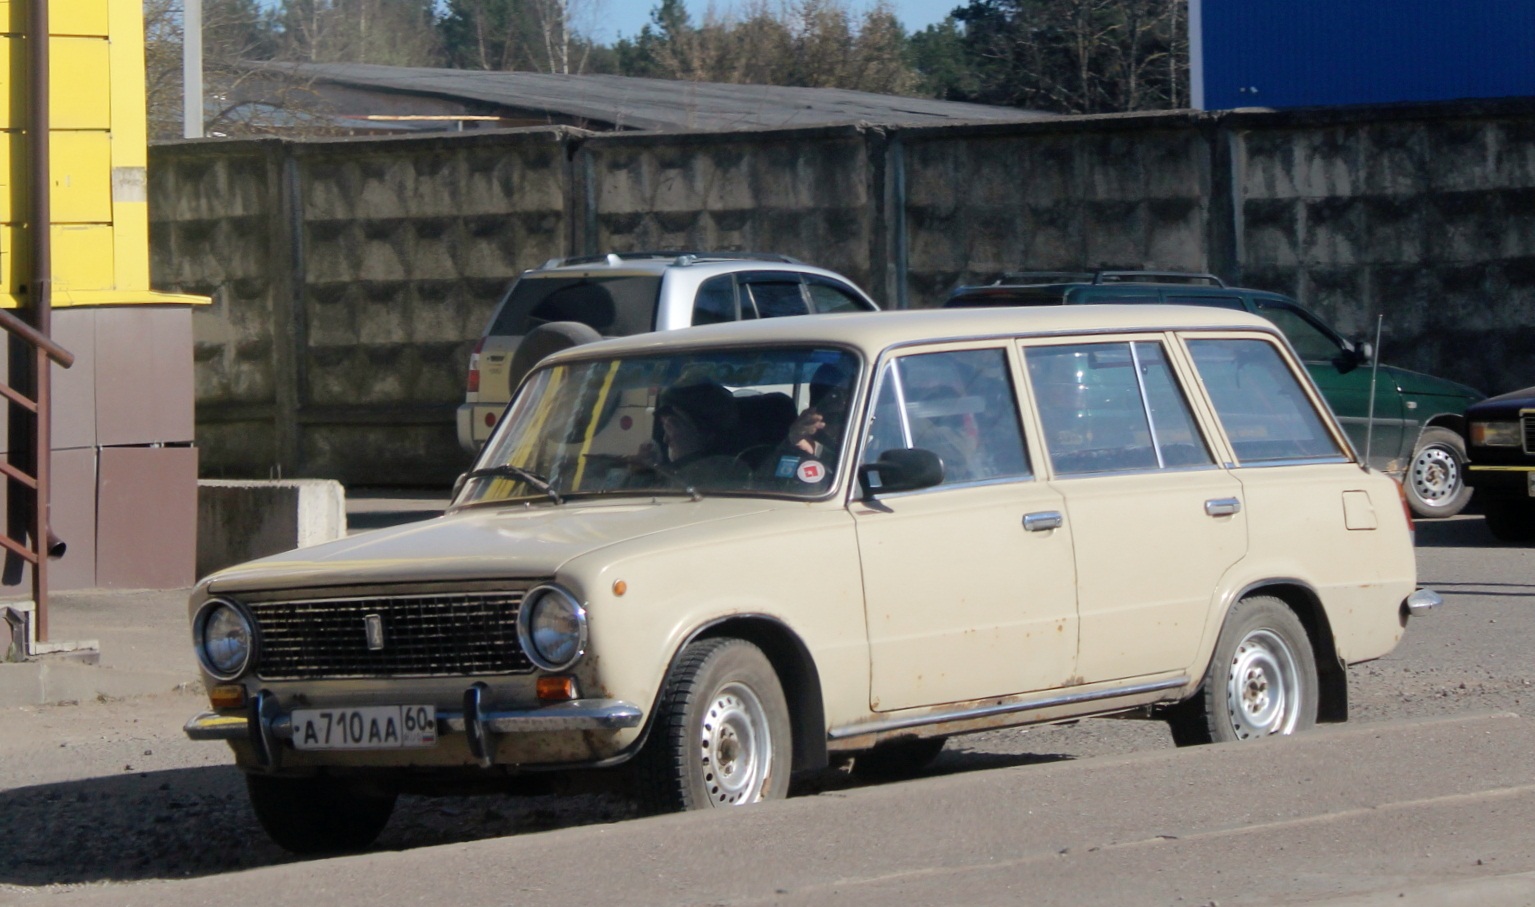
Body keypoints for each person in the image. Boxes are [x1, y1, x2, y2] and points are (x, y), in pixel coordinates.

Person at [770, 364, 852, 488]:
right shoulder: (806, 434)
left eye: (848, 393)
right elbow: (770, 483)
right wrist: (793, 441)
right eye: (832, 395)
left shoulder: (875, 435)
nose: (841, 402)